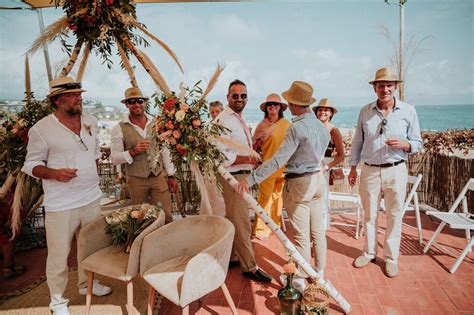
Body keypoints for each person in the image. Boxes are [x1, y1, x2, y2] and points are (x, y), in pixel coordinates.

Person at [22, 77, 112, 315]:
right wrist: (53, 173)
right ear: (57, 100)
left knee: (91, 247)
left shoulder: (91, 121)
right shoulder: (41, 129)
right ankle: (58, 302)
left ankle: (87, 285)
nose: (78, 98)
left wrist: (95, 176)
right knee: (59, 255)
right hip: (61, 204)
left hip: (91, 197)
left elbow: (93, 154)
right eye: (72, 95)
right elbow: (30, 165)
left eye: (79, 94)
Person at [236, 81, 330, 290]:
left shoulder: (296, 128)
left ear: (294, 104)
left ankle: (299, 279)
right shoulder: (320, 126)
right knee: (318, 231)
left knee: (301, 235)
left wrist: (250, 179)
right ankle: (320, 272)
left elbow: (278, 161)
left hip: (299, 183)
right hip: (318, 180)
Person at [348, 67, 422, 278]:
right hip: (369, 171)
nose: (385, 89)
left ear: (395, 87)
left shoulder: (408, 111)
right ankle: (369, 252)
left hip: (396, 170)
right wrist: (353, 167)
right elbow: (357, 142)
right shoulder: (365, 111)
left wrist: (405, 144)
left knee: (394, 216)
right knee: (369, 215)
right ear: (375, 88)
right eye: (381, 85)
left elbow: (418, 142)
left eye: (389, 85)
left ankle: (390, 259)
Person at [214, 79, 272, 282]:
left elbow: (238, 146)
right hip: (234, 177)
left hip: (243, 174)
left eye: (243, 95)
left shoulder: (239, 118)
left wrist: (253, 155)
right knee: (242, 223)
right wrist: (248, 159)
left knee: (234, 220)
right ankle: (250, 267)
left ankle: (230, 257)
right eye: (235, 95)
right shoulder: (223, 120)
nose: (239, 99)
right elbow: (220, 154)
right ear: (227, 97)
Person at [110, 87, 178, 224]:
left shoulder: (156, 123)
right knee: (139, 217)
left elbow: (164, 149)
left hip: (158, 176)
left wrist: (171, 175)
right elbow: (114, 159)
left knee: (165, 214)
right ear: (126, 104)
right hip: (136, 180)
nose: (136, 104)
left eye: (139, 100)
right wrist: (133, 151)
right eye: (132, 101)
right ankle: (144, 243)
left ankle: (166, 243)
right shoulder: (119, 128)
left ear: (145, 103)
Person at [251, 93, 291, 238]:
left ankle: (275, 226)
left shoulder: (286, 124)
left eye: (275, 104)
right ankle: (261, 229)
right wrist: (258, 143)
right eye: (270, 105)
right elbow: (253, 147)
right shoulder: (261, 125)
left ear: (280, 107)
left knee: (277, 199)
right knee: (264, 199)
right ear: (266, 108)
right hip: (267, 167)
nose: (272, 107)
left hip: (283, 167)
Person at [312, 98, 345, 227]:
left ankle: (321, 228)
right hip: (311, 166)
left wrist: (326, 167)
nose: (322, 112)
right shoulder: (313, 129)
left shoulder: (333, 131)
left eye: (326, 110)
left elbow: (341, 155)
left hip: (323, 167)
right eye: (320, 110)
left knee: (322, 198)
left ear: (331, 113)